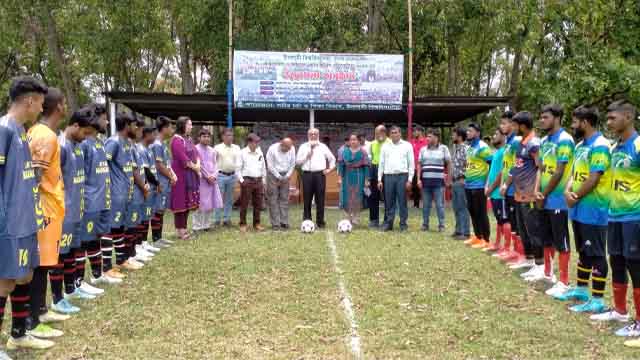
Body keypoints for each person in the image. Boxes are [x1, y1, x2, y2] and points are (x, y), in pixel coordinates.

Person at [0, 76, 53, 352]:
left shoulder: (22, 131)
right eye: (40, 104)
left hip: (25, 219)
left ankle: (19, 333)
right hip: (8, 223)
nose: (41, 109)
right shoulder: (4, 129)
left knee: (25, 276)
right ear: (29, 101)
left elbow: (19, 175)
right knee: (4, 281)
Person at [552, 106, 611, 314]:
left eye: (575, 122)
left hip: (593, 210)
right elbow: (574, 174)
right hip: (577, 209)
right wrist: (568, 190)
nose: (573, 126)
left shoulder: (601, 145)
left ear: (585, 122)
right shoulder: (580, 145)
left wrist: (574, 197)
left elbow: (595, 177)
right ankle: (581, 290)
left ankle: (597, 300)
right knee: (584, 251)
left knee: (596, 254)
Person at [594, 101, 640, 344]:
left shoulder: (638, 144)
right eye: (608, 118)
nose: (609, 123)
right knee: (617, 262)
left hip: (635, 217)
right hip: (614, 215)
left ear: (629, 117)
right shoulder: (614, 147)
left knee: (636, 267)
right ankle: (620, 311)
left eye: (613, 118)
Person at [26, 88, 69, 340]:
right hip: (44, 207)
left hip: (50, 205)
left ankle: (41, 310)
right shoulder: (45, 136)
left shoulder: (41, 132)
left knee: (44, 262)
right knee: (41, 265)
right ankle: (34, 317)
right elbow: (35, 177)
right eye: (63, 103)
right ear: (59, 107)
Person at [78, 104, 122, 286]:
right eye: (104, 118)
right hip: (89, 202)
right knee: (83, 242)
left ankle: (98, 275)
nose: (107, 122)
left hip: (104, 200)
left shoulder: (100, 143)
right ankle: (78, 283)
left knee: (98, 238)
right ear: (94, 119)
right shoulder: (84, 144)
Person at [534, 105, 575, 290]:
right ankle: (548, 273)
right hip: (543, 197)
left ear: (557, 118)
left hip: (557, 199)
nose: (542, 120)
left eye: (546, 117)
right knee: (545, 237)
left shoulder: (565, 140)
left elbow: (559, 172)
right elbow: (540, 169)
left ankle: (564, 281)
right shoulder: (543, 140)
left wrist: (544, 193)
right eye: (541, 117)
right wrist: (537, 191)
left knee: (561, 240)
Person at [501, 112, 543, 274]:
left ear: (523, 126)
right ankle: (529, 259)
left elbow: (540, 167)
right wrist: (506, 184)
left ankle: (540, 266)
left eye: (515, 125)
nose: (513, 127)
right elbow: (516, 167)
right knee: (523, 229)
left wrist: (536, 190)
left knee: (533, 230)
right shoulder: (521, 143)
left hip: (530, 195)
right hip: (519, 194)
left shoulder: (534, 143)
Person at [104, 112, 136, 278]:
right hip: (115, 194)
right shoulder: (113, 142)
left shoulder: (127, 143)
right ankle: (107, 267)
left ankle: (122, 259)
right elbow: (104, 164)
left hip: (125, 193)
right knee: (110, 228)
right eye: (133, 124)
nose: (136, 128)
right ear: (126, 125)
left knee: (119, 227)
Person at [495, 112, 521, 263]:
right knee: (510, 220)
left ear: (513, 124)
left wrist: (506, 184)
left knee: (516, 222)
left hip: (514, 188)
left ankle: (520, 253)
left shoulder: (516, 142)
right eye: (502, 123)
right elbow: (505, 167)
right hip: (506, 189)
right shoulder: (508, 143)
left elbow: (516, 166)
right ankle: (513, 251)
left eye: (505, 123)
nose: (502, 126)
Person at [296, 128, 336, 228]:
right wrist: (306, 156)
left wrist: (329, 170)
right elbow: (297, 162)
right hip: (307, 175)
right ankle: (307, 221)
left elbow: (332, 159)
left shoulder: (323, 146)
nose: (313, 136)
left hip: (320, 175)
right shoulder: (303, 146)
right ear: (308, 135)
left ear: (318, 135)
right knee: (307, 199)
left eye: (315, 134)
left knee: (320, 199)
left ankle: (320, 222)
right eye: (311, 134)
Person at [125, 118, 151, 268]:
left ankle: (135, 251)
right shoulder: (125, 146)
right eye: (138, 128)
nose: (139, 132)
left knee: (137, 222)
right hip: (131, 191)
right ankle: (130, 254)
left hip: (139, 190)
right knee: (130, 224)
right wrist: (143, 186)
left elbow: (140, 169)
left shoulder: (134, 147)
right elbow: (134, 171)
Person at [378, 126, 414, 232]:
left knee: (402, 201)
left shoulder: (407, 146)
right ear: (390, 135)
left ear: (400, 134)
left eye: (396, 132)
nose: (394, 134)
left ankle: (403, 224)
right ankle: (389, 224)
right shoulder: (385, 146)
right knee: (389, 201)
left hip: (402, 176)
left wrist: (410, 180)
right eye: (392, 133)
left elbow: (411, 164)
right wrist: (379, 179)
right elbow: (381, 163)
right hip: (388, 176)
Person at [463, 123, 493, 248]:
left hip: (479, 185)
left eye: (470, 131)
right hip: (468, 185)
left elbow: (492, 165)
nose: (468, 133)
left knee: (481, 212)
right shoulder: (469, 147)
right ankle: (477, 236)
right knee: (472, 211)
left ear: (477, 133)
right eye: (467, 131)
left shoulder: (483, 147)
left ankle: (486, 239)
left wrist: (487, 183)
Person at [170, 116, 200, 240]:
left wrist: (198, 164)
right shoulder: (177, 140)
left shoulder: (189, 139)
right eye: (189, 124)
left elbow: (196, 153)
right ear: (182, 125)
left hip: (190, 175)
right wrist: (195, 167)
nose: (191, 127)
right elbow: (183, 158)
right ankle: (181, 231)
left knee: (187, 203)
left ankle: (184, 229)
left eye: (191, 124)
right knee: (180, 204)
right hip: (180, 176)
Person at [417, 128, 450, 232]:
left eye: (429, 136)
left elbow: (449, 163)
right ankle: (425, 224)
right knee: (426, 205)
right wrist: (418, 179)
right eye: (427, 136)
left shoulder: (444, 148)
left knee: (440, 205)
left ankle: (441, 225)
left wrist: (448, 176)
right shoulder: (423, 149)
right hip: (426, 182)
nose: (427, 138)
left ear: (436, 137)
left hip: (439, 183)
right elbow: (419, 164)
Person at [150, 116, 176, 247]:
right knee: (157, 210)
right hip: (159, 183)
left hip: (165, 182)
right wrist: (170, 177)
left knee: (161, 210)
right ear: (164, 128)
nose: (172, 130)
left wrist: (171, 175)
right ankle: (155, 239)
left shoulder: (163, 144)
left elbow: (166, 164)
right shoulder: (157, 144)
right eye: (171, 127)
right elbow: (159, 165)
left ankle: (159, 238)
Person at [136, 127, 162, 255]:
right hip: (144, 188)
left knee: (147, 216)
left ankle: (144, 243)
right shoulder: (140, 149)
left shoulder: (149, 149)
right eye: (153, 134)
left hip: (151, 188)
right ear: (146, 135)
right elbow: (146, 171)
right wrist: (156, 182)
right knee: (142, 217)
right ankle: (139, 244)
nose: (155, 137)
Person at [193, 128, 222, 232]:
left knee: (210, 203)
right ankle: (197, 226)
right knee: (200, 203)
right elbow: (198, 165)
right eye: (204, 136)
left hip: (212, 181)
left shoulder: (213, 151)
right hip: (201, 180)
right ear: (199, 138)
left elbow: (216, 165)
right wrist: (207, 176)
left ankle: (206, 225)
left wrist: (214, 176)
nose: (206, 138)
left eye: (208, 136)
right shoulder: (195, 149)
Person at [338, 134, 370, 225]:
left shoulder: (363, 152)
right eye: (351, 139)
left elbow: (366, 166)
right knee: (347, 196)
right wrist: (340, 178)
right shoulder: (344, 152)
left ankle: (356, 217)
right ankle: (348, 216)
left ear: (359, 141)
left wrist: (367, 180)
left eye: (355, 139)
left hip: (359, 175)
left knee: (357, 196)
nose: (353, 141)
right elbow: (341, 166)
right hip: (347, 175)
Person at [484, 129, 507, 253]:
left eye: (496, 134)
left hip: (499, 193)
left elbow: (502, 172)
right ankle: (498, 243)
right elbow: (491, 171)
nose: (493, 136)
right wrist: (487, 185)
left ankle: (506, 247)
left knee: (504, 220)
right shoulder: (497, 152)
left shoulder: (504, 151)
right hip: (493, 192)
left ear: (504, 137)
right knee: (498, 219)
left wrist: (492, 187)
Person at [266, 137, 296, 230]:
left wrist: (287, 176)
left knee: (284, 199)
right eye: (286, 148)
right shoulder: (272, 149)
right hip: (273, 175)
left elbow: (292, 164)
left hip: (286, 175)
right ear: (281, 144)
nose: (288, 150)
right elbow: (270, 165)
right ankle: (275, 223)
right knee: (273, 199)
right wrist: (278, 177)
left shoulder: (292, 148)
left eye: (289, 148)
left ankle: (284, 222)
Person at [238, 133, 266, 232]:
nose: (257, 144)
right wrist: (242, 181)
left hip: (258, 180)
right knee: (244, 203)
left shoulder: (260, 152)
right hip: (247, 180)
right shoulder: (242, 153)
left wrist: (263, 180)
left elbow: (263, 167)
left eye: (258, 142)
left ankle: (257, 223)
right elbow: (238, 169)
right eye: (255, 142)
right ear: (249, 142)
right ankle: (242, 224)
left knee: (258, 204)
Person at [213, 128, 241, 227]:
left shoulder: (237, 148)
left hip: (232, 176)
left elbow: (238, 163)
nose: (230, 137)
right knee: (218, 198)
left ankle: (227, 219)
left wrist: (238, 176)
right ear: (223, 136)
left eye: (231, 135)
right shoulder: (217, 148)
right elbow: (213, 162)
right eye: (228, 135)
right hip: (220, 175)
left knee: (229, 199)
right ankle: (216, 219)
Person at [366, 125, 390, 228]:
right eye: (375, 133)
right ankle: (374, 220)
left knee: (387, 197)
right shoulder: (372, 144)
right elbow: (369, 158)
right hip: (374, 169)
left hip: (386, 170)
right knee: (372, 196)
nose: (375, 135)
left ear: (383, 133)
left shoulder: (390, 143)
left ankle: (386, 220)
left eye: (377, 133)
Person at [450, 127, 470, 240]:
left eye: (454, 135)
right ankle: (458, 230)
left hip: (461, 181)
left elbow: (468, 163)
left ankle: (465, 232)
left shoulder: (466, 148)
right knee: (456, 207)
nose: (452, 136)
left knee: (463, 207)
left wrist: (464, 177)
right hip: (454, 181)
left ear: (459, 136)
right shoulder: (455, 148)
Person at [410, 125, 429, 208]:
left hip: (424, 167)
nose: (413, 133)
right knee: (414, 186)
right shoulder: (412, 142)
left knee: (425, 185)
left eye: (415, 131)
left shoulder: (426, 142)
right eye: (413, 131)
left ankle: (426, 203)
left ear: (420, 131)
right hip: (414, 167)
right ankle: (416, 204)